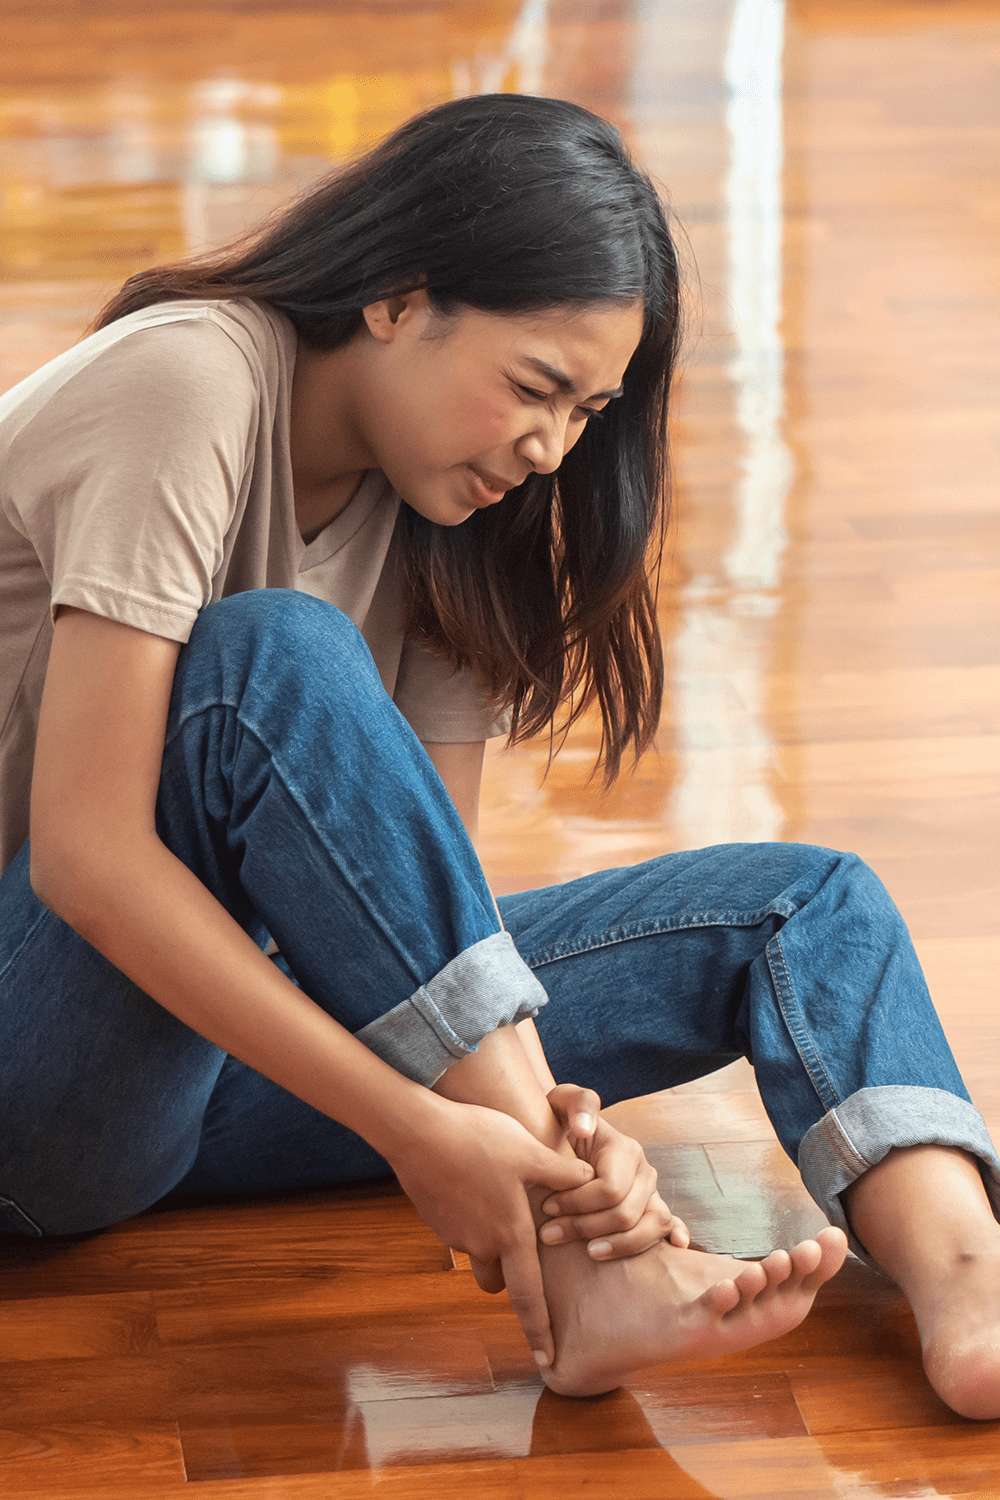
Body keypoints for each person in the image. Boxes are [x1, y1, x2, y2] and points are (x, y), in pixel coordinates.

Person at [0, 93, 997, 1418]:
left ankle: (971, 1283)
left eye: (587, 410)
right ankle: (589, 1268)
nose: (552, 448)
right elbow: (85, 857)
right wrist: (427, 1130)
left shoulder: (453, 512)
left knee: (803, 905)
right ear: (398, 298)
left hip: (206, 1059)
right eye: (535, 387)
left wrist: (551, 1123)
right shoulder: (187, 383)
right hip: (37, 1076)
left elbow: (417, 925)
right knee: (269, 656)